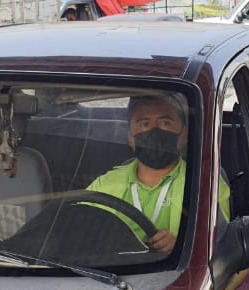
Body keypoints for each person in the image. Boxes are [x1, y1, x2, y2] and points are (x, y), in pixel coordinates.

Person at [88, 94, 228, 255]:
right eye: (144, 124)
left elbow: (220, 248)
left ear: (183, 136)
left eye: (165, 122)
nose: (154, 130)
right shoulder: (104, 184)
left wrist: (183, 246)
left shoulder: (206, 183)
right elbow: (80, 236)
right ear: (130, 138)